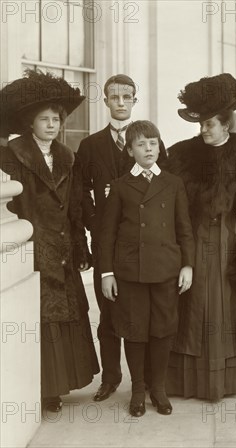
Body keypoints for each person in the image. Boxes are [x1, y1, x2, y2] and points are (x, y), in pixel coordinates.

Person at [165, 73, 236, 400]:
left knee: (229, 305)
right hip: (193, 240)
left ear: (226, 125)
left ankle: (229, 379)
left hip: (231, 242)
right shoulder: (182, 156)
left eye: (210, 124)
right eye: (201, 124)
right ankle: (189, 380)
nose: (203, 130)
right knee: (194, 305)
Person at [0, 69, 99, 412]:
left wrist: (82, 246)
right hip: (31, 247)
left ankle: (60, 384)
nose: (52, 125)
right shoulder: (12, 156)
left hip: (63, 248)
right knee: (38, 317)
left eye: (56, 119)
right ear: (31, 123)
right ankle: (42, 389)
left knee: (64, 315)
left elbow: (74, 207)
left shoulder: (67, 157)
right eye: (45, 119)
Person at [99, 120, 195, 417]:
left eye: (153, 142)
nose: (148, 148)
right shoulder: (119, 186)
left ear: (159, 146)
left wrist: (188, 265)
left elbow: (184, 228)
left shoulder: (173, 182)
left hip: (166, 268)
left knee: (163, 330)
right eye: (141, 144)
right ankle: (138, 389)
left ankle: (159, 388)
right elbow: (107, 234)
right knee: (135, 330)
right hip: (130, 271)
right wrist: (106, 273)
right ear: (130, 150)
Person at [77, 74, 140, 402]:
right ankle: (111, 378)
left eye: (126, 96)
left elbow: (164, 183)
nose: (120, 102)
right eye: (114, 96)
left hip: (139, 242)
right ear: (104, 101)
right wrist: (93, 221)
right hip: (104, 241)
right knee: (108, 314)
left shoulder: (147, 138)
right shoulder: (90, 146)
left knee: (138, 312)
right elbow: (80, 190)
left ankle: (140, 383)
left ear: (134, 100)